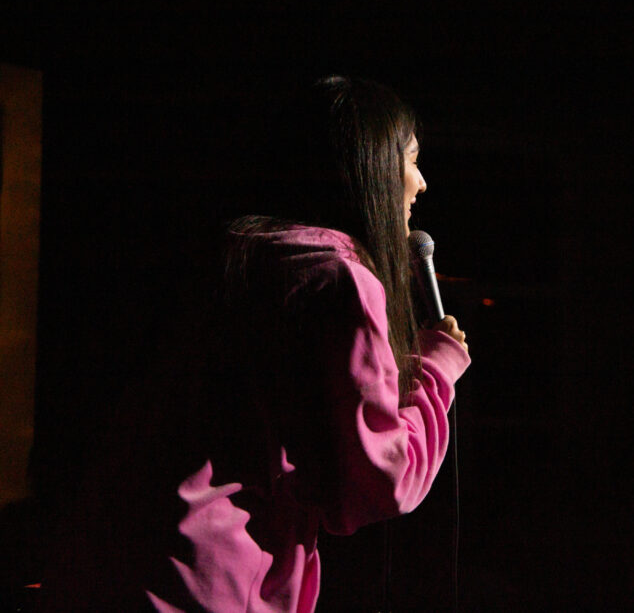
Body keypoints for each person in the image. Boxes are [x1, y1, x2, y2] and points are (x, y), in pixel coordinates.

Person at [42, 76, 470, 611]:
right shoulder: (338, 281)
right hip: (206, 580)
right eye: (411, 159)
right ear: (371, 166)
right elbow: (380, 481)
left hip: (118, 558)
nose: (421, 183)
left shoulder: (244, 258)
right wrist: (435, 369)